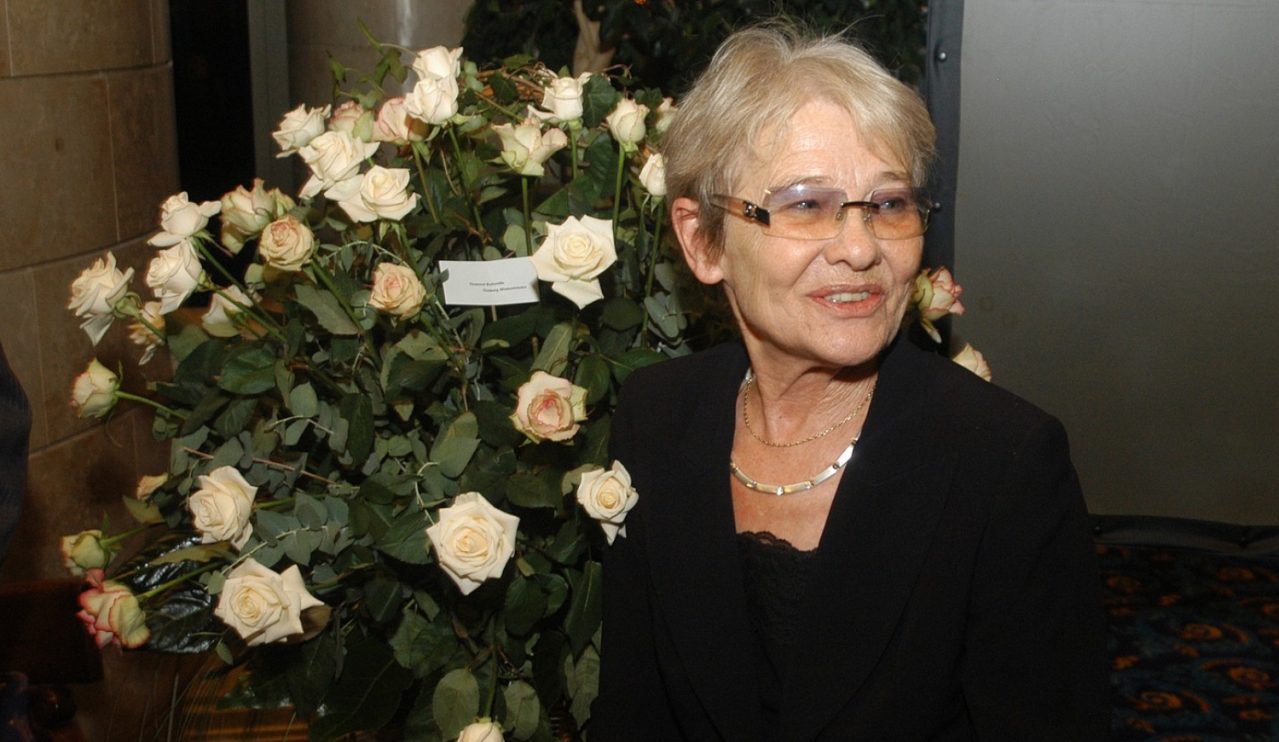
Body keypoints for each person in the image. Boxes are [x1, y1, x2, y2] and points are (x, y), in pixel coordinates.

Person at [591, 23, 1110, 741]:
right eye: (807, 204)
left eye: (890, 204)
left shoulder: (1003, 463)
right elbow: (633, 709)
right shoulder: (656, 416)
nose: (862, 249)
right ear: (703, 240)